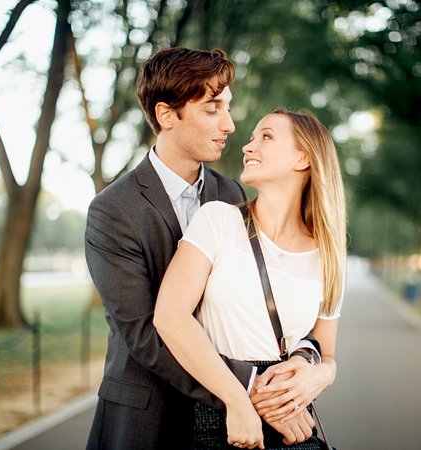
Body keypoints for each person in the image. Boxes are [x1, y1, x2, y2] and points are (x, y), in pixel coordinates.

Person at [84, 47, 318, 449]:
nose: (228, 124)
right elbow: (143, 333)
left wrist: (308, 362)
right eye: (212, 109)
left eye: (227, 107)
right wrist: (249, 390)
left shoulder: (232, 194)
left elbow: (273, 297)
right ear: (166, 115)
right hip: (150, 414)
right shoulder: (112, 211)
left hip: (228, 423)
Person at [154, 108, 347, 449]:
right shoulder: (217, 220)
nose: (247, 146)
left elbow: (325, 350)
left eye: (267, 137)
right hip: (222, 416)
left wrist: (320, 376)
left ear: (302, 158)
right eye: (252, 137)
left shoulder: (328, 256)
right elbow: (170, 317)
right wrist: (238, 400)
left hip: (292, 421)